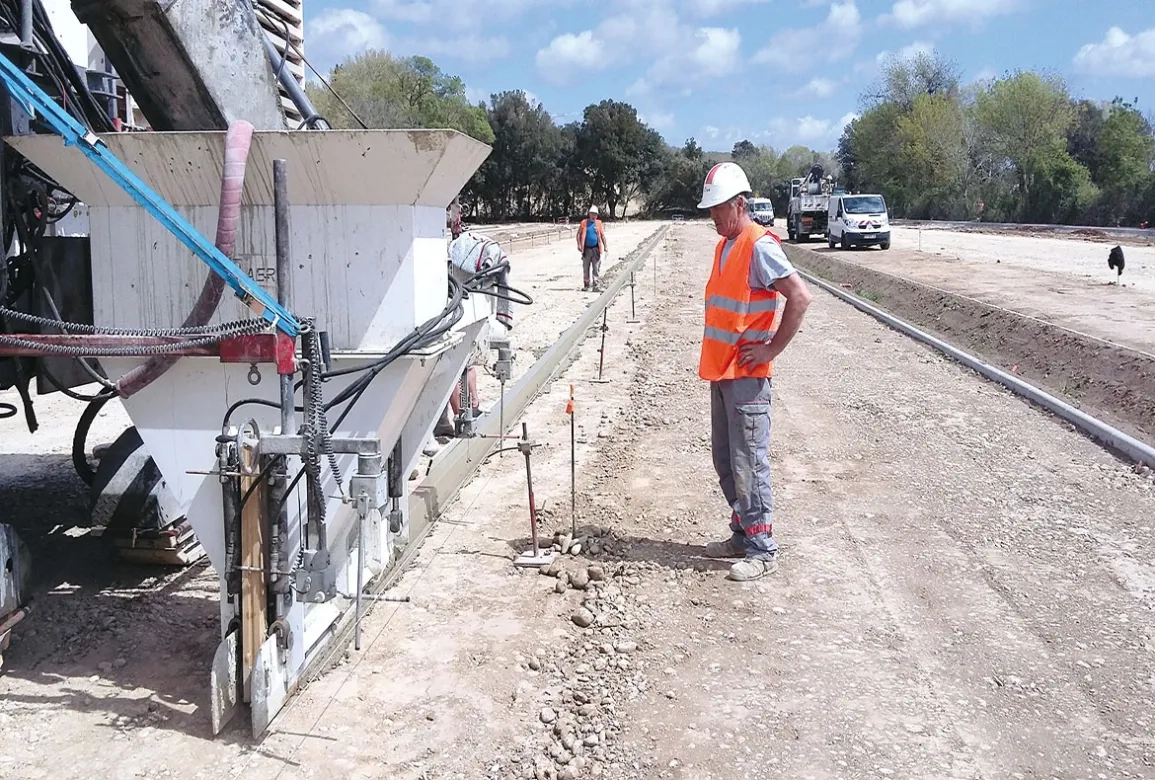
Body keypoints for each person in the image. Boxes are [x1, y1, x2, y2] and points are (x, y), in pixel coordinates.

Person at [695, 162, 812, 582]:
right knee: (726, 460)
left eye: (718, 209)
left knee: (749, 463)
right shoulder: (725, 245)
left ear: (739, 204)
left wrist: (771, 348)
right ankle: (742, 534)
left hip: (747, 377)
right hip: (723, 372)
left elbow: (799, 297)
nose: (712, 218)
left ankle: (763, 549)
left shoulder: (759, 245)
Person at [576, 206, 606, 291]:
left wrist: (605, 246)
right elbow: (578, 234)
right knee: (586, 267)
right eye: (592, 214)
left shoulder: (599, 223)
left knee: (596, 267)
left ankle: (596, 285)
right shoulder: (584, 223)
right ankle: (586, 285)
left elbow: (602, 236)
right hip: (586, 249)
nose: (594, 216)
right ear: (589, 214)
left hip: (596, 249)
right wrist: (579, 245)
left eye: (595, 214)